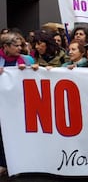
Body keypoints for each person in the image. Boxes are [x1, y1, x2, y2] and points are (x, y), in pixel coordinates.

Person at [0, 32, 34, 176]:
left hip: (19, 104)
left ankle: (17, 163)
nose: (20, 48)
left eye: (21, 45)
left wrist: (32, 70)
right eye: (16, 45)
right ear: (6, 46)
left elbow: (36, 75)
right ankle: (3, 163)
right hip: (2, 103)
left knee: (17, 132)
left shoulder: (27, 60)